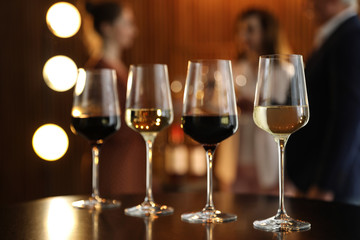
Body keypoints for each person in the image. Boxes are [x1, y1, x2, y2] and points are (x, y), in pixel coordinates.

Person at [286, 0, 360, 205]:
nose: (305, 4)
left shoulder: (350, 37)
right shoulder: (336, 36)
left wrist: (325, 185)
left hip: (337, 190)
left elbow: (348, 117)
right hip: (322, 183)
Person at [216, 9, 290, 194]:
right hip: (234, 164)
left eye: (250, 29)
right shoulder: (231, 71)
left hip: (270, 164)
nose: (243, 36)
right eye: (240, 30)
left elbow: (289, 117)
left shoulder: (286, 73)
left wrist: (260, 109)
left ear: (266, 33)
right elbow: (216, 109)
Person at [83, 1, 146, 196]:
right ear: (107, 28)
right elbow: (116, 127)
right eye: (127, 23)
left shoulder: (122, 68)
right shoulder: (99, 70)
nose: (133, 31)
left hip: (133, 164)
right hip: (117, 168)